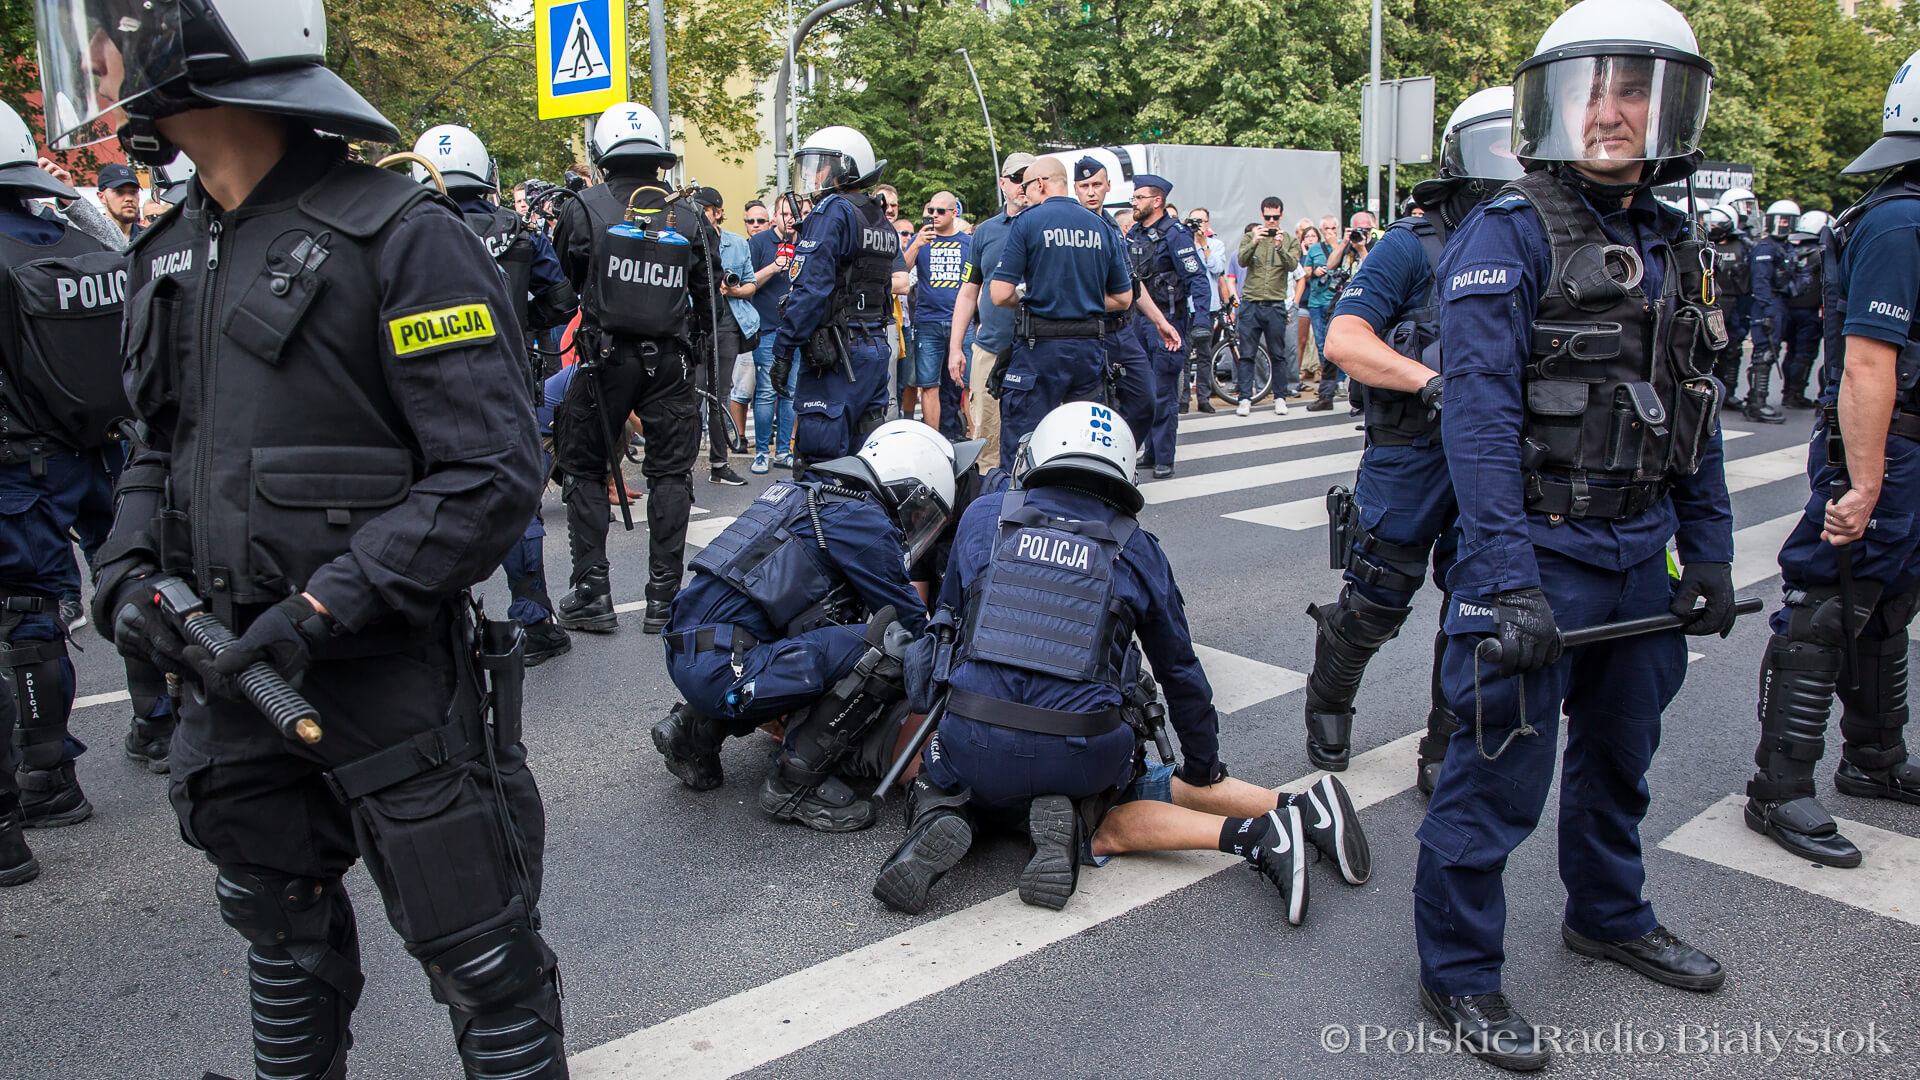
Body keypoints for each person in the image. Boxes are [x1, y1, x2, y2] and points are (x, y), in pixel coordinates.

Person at [46, 0, 568, 1072]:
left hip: (383, 681)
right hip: (230, 673)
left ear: (199, 41)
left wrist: (326, 604)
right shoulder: (173, 247)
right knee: (283, 953)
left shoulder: (401, 237)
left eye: (114, 30)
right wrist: (128, 573)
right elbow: (159, 441)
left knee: (486, 967)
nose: (97, 60)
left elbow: (491, 472)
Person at [1420, 1, 1735, 1068]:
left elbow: (1694, 410)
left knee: (1622, 760)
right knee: (1496, 768)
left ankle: (1607, 913)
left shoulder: (1676, 242)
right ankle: (1459, 974)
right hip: (1537, 554)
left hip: (1640, 550)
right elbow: (1476, 421)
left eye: (1633, 90)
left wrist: (1716, 553)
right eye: (1592, 89)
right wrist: (1506, 582)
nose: (1610, 111)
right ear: (1554, 103)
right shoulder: (1505, 232)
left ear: (1667, 107)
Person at [870, 402, 1372, 918]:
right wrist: (1202, 766)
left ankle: (946, 812)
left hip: (970, 741)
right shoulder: (1139, 549)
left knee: (942, 769)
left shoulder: (982, 517)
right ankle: (1087, 818)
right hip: (1082, 756)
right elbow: (1181, 675)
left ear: (1038, 455)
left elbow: (944, 632)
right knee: (1123, 795)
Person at [1313, 86, 1522, 797]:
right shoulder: (1414, 242)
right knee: (1377, 598)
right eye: (1499, 145)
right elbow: (1343, 338)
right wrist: (1431, 383)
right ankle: (1330, 695)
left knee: (1478, 604)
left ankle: (1445, 738)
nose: (1514, 159)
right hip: (1413, 450)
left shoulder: (1541, 236)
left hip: (1494, 455)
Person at [1743, 49, 1920, 870]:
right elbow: (1869, 364)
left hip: (1908, 450)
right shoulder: (1898, 220)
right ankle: (1779, 790)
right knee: (1825, 608)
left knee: (1888, 609)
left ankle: (1874, 759)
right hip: (1889, 447)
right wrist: (1868, 478)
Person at [652, 422, 951, 831]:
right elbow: (910, 625)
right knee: (891, 645)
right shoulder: (860, 518)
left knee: (806, 628)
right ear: (908, 485)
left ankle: (696, 729)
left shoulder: (800, 494)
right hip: (726, 671)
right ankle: (796, 782)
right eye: (917, 509)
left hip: (692, 656)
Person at [0, 99, 134, 849]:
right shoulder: (77, 240)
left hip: (20, 467)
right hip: (100, 451)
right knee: (133, 579)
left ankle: (46, 778)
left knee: (27, 618)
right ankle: (157, 723)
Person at [412, 123, 580, 667]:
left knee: (430, 498)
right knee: (518, 499)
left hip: (428, 388)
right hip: (506, 381)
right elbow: (560, 300)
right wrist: (514, 324)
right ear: (484, 172)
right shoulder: (516, 229)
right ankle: (533, 619)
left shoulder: (406, 229)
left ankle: (437, 626)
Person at [550, 102, 714, 635]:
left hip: (604, 359)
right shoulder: (687, 214)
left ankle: (592, 591)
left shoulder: (582, 207)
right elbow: (708, 300)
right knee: (670, 473)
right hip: (668, 361)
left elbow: (569, 283)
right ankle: (664, 598)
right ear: (659, 157)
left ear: (603, 154)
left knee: (582, 465)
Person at [772, 126, 908, 469]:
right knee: (865, 462)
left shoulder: (833, 211)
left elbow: (810, 289)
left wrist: (784, 350)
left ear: (844, 168)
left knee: (822, 463)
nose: (814, 175)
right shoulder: (878, 216)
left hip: (836, 355)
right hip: (873, 346)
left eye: (821, 166)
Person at [988, 157, 1135, 464]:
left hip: (1040, 349)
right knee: (1085, 443)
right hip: (1089, 350)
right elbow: (1123, 298)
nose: (1025, 194)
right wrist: (1079, 297)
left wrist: (1040, 296)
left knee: (1023, 444)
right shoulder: (1099, 225)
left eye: (1026, 186)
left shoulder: (1028, 221)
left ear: (1040, 183)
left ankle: (1019, 507)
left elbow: (999, 294)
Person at [1070, 159, 1180, 448]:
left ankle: (1121, 456)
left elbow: (1131, 281)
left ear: (1108, 187)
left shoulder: (1114, 226)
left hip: (1120, 329)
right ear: (1075, 189)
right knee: (1090, 412)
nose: (1091, 192)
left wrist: (1160, 321)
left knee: (1146, 400)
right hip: (1084, 330)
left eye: (1096, 185)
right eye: (1084, 186)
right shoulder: (1070, 225)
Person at [949, 152, 1037, 472]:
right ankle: (988, 508)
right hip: (990, 347)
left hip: (1039, 347)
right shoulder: (985, 232)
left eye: (1031, 179)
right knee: (986, 439)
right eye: (1017, 179)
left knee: (1036, 436)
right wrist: (956, 347)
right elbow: (969, 291)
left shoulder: (1047, 224)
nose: (1023, 186)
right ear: (1003, 183)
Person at [1126, 175, 1211, 478]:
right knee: (1142, 391)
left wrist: (1201, 321)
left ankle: (1164, 456)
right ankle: (1149, 451)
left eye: (1139, 197)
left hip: (1168, 321)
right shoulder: (1134, 233)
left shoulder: (1176, 235)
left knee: (1163, 391)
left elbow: (1197, 279)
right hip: (1138, 320)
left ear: (1157, 201)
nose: (1134, 202)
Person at [690, 186, 752, 486]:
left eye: (705, 209)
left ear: (717, 211)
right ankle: (684, 465)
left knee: (719, 395)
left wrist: (733, 288)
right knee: (693, 394)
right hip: (696, 325)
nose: (700, 214)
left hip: (726, 325)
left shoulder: (737, 244)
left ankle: (719, 463)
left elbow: (751, 284)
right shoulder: (690, 238)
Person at [1701, 204, 1780, 423]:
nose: (1714, 227)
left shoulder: (1745, 246)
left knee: (1733, 349)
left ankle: (1727, 392)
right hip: (1711, 302)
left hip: (1737, 303)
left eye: (1719, 223)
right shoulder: (1705, 244)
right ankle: (1708, 391)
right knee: (1708, 349)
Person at [1237, 197, 1302, 417]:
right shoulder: (1250, 236)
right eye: (1267, 217)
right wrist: (1255, 240)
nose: (1271, 221)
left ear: (1281, 215)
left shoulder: (1290, 240)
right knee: (1247, 354)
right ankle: (1245, 397)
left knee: (1278, 354)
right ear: (1262, 215)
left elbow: (1293, 265)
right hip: (1250, 304)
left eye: (1275, 217)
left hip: (1275, 304)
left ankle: (1280, 397)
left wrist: (1280, 247)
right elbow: (1242, 261)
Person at [749, 196, 800, 473]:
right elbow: (746, 284)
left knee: (791, 392)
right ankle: (760, 452)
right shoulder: (759, 243)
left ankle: (783, 451)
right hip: (768, 328)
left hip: (797, 330)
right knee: (767, 391)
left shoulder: (804, 242)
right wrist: (773, 267)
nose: (790, 218)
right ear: (774, 217)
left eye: (794, 213)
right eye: (784, 213)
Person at [1310, 212, 1375, 409]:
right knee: (1331, 349)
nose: (1362, 233)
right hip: (1341, 300)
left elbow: (1374, 268)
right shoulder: (1345, 245)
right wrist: (1344, 242)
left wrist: (1361, 248)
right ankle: (1325, 396)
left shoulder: (1377, 245)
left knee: (1366, 352)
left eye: (1366, 229)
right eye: (1358, 229)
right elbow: (1330, 264)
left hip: (1366, 302)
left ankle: (1367, 397)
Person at [1749, 198, 1799, 413]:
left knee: (1773, 350)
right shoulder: (1766, 247)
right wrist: (1767, 309)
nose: (1783, 225)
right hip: (1767, 303)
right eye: (1779, 221)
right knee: (1764, 352)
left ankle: (1758, 400)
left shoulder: (1786, 247)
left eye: (1787, 222)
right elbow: (1760, 281)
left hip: (1780, 302)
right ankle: (1756, 403)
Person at [1776, 210, 1829, 409]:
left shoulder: (1791, 251)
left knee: (1791, 352)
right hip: (1810, 312)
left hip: (1790, 309)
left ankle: (1788, 391)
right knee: (1804, 354)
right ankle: (1795, 393)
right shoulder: (1821, 253)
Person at [1182, 206, 1230, 413]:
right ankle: (1183, 399)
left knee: (1204, 355)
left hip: (1208, 308)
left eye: (1201, 221)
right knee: (1183, 355)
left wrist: (1202, 245)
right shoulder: (1182, 244)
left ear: (1208, 223)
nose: (1197, 225)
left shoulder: (1216, 245)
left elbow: (1216, 268)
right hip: (1186, 306)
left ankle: (1203, 397)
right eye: (1193, 221)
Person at [94, 162, 143, 239]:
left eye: (133, 192)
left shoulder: (150, 238)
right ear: (101, 197)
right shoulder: (89, 237)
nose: (129, 198)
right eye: (119, 192)